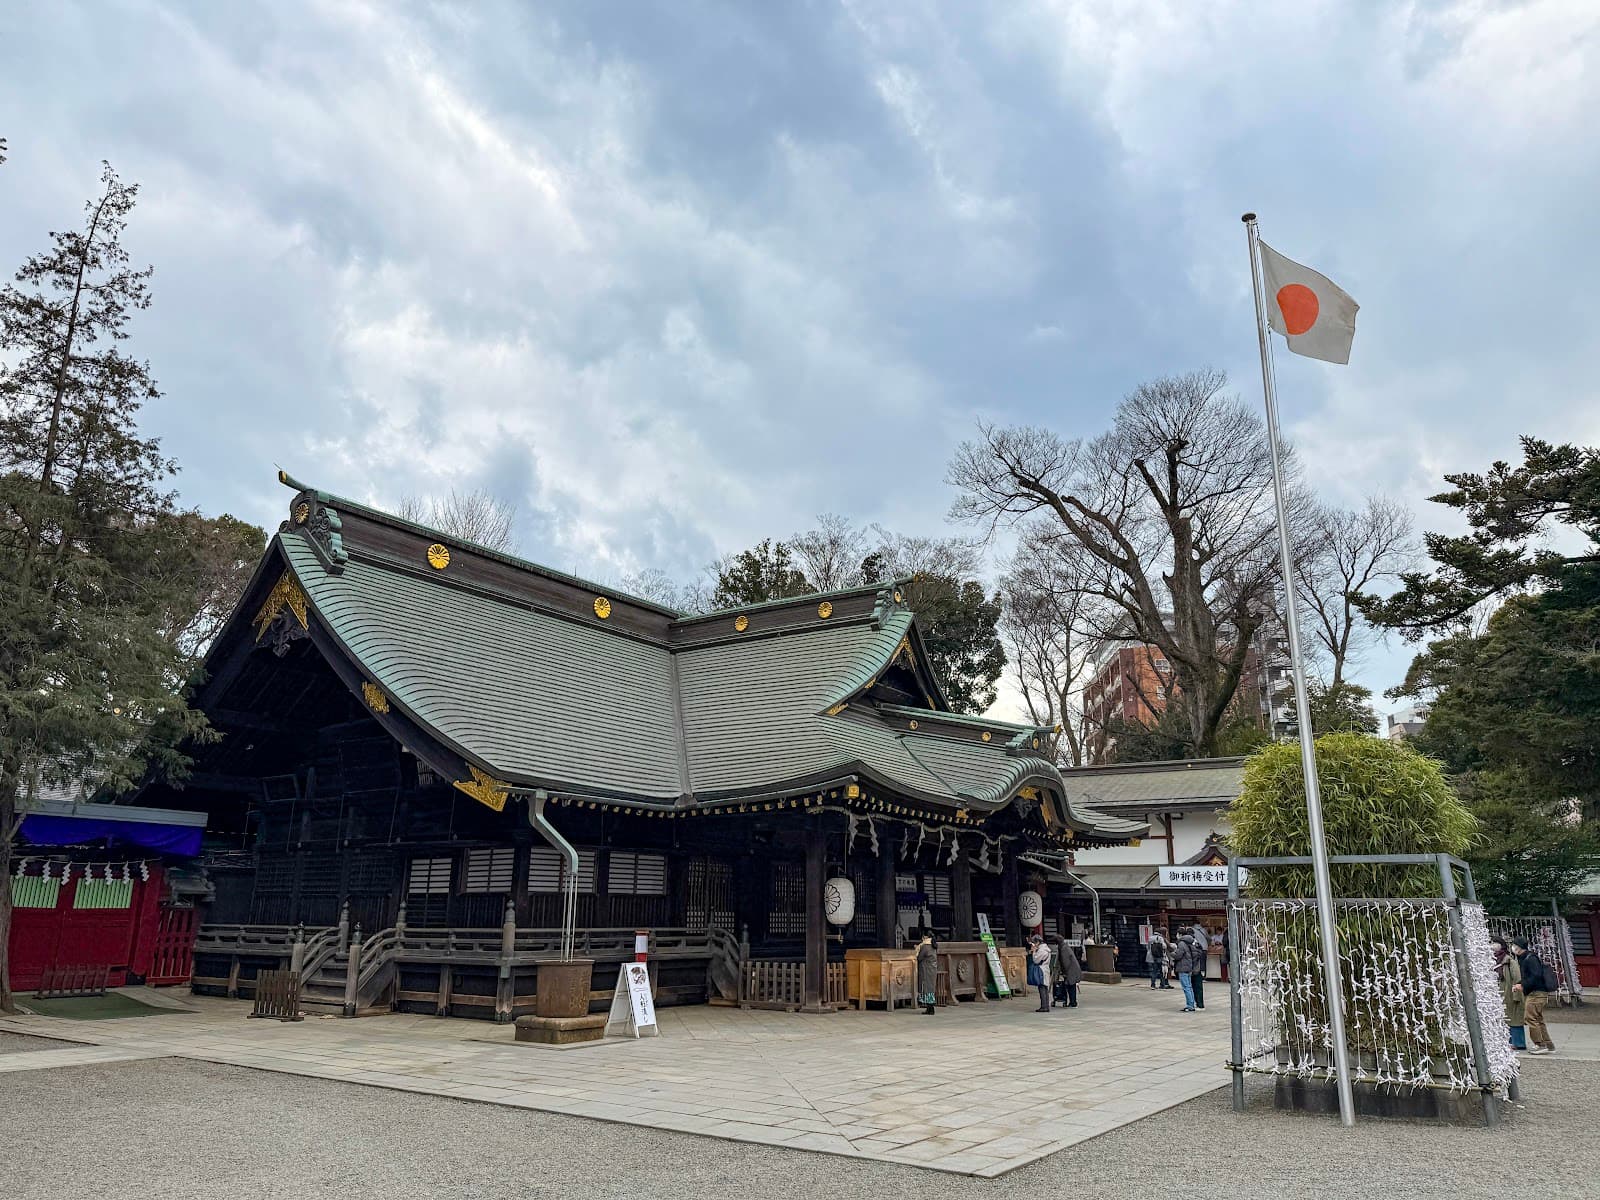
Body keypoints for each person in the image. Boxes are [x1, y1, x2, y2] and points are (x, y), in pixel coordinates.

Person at [1511, 934, 1557, 1054]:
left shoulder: (1530, 958)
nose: (1513, 947)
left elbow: (1535, 976)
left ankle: (1540, 1044)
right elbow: (1528, 976)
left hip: (1537, 992)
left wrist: (1523, 985)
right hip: (1534, 992)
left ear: (1520, 947)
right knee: (1538, 1018)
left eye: (1515, 945)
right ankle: (1548, 1044)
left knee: (1530, 1017)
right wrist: (1520, 984)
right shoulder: (1523, 958)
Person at [1491, 936, 1525, 1051]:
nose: (1493, 945)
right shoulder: (1491, 959)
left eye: (1495, 943)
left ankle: (1518, 1042)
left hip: (1510, 994)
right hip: (1498, 995)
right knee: (1504, 1020)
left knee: (1514, 1019)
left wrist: (1516, 994)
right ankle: (1506, 1042)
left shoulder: (1509, 960)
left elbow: (1517, 978)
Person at [1170, 928, 1199, 1012]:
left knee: (1186, 987)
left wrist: (1171, 953)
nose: (1176, 936)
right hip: (1189, 966)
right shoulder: (1189, 942)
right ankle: (1191, 1004)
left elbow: (1178, 955)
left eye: (1177, 934)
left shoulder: (1181, 943)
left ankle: (1190, 1005)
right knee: (1189, 987)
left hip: (1183, 967)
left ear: (1180, 934)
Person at [916, 932, 939, 1016]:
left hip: (926, 970)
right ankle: (930, 1008)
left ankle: (930, 1008)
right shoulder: (933, 945)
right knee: (931, 989)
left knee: (926, 988)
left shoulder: (925, 946)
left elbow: (919, 957)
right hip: (932, 969)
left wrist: (917, 950)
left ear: (925, 937)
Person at [1028, 934, 1052, 1012]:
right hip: (1044, 970)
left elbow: (1036, 960)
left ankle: (1044, 1006)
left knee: (1042, 988)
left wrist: (1034, 952)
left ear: (1038, 942)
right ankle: (1045, 1006)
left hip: (1041, 970)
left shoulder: (1042, 950)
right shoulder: (1046, 949)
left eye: (1034, 943)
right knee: (1044, 988)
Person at [1058, 936, 1083, 1008]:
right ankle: (1073, 1002)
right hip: (1072, 969)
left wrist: (1064, 972)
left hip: (1070, 970)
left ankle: (1073, 1002)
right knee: (1071, 985)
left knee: (1071, 986)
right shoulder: (1065, 947)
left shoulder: (1063, 949)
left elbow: (1065, 962)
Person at [1189, 922, 1209, 1010]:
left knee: (1193, 985)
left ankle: (1195, 1003)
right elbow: (1208, 938)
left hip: (1192, 967)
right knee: (1203, 964)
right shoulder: (1203, 930)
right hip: (1204, 948)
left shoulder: (1191, 940)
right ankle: (1204, 975)